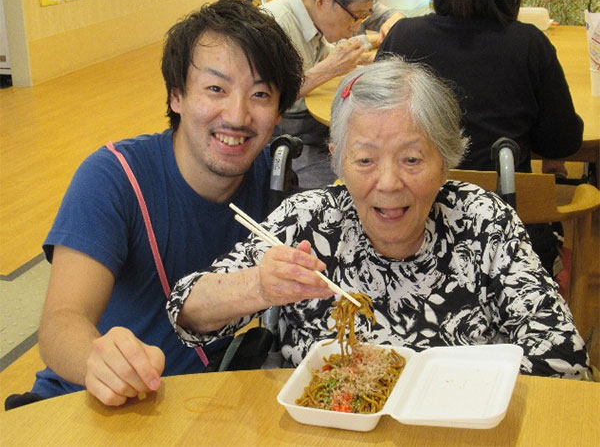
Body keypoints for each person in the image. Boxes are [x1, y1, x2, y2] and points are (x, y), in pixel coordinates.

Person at [166, 57, 590, 379]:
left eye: (411, 159)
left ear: (444, 162)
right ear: (337, 161)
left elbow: (565, 358)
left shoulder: (482, 220)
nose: (388, 183)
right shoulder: (308, 222)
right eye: (365, 159)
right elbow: (185, 310)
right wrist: (257, 285)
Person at [12, 0, 303, 409]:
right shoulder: (113, 178)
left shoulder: (276, 188)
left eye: (259, 94)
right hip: (87, 405)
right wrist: (98, 360)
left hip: (193, 407)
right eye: (216, 88)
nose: (237, 115)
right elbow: (61, 323)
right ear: (177, 97)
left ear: (278, 113)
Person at [375, 0, 584, 277]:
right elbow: (562, 142)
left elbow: (372, 123)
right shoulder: (528, 43)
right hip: (506, 233)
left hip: (408, 228)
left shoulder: (402, 36)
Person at [264, 0, 378, 188]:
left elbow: (329, 54)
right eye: (355, 17)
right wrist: (330, 68)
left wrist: (363, 57)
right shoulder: (275, 24)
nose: (356, 27)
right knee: (354, 179)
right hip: (284, 133)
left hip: (310, 125)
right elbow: (266, 98)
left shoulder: (313, 19)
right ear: (323, 1)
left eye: (363, 17)